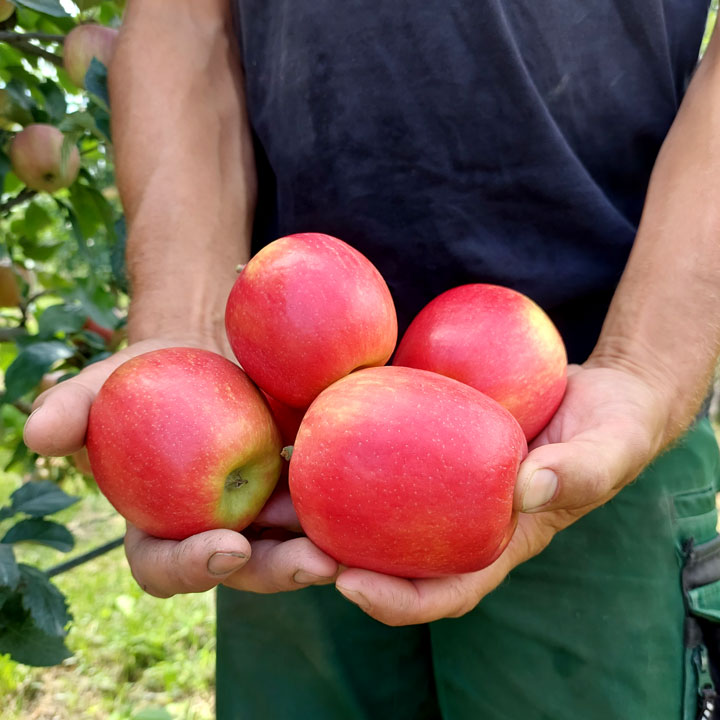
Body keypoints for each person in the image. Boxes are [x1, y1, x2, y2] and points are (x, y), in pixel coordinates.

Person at [24, 0, 720, 718]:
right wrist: (183, 329)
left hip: (595, 421)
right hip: (277, 448)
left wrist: (646, 364)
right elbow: (182, 22)